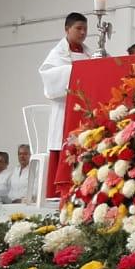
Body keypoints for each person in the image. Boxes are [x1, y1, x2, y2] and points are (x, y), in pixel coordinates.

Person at [39, 12, 91, 198]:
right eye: (78, 28)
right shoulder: (57, 53)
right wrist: (77, 71)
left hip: (84, 110)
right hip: (65, 109)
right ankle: (60, 192)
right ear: (67, 29)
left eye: (85, 29)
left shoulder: (88, 53)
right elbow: (49, 78)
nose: (83, 32)